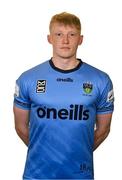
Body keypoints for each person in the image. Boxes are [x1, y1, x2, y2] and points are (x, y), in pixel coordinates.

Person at [13, 12, 114, 180]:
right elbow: (20, 127)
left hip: (80, 175)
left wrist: (76, 153)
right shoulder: (28, 79)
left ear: (80, 39)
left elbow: (103, 130)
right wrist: (44, 153)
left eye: (72, 35)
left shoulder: (100, 80)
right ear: (49, 38)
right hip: (37, 175)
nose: (65, 40)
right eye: (59, 34)